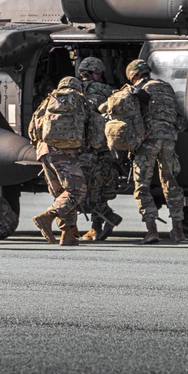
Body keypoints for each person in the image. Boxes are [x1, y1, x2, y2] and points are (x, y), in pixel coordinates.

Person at [124, 58, 186, 244]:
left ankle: (152, 231)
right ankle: (178, 231)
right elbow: (180, 120)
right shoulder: (166, 87)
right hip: (169, 140)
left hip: (148, 141)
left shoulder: (136, 90)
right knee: (170, 183)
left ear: (134, 76)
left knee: (142, 186)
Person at [29, 76, 90, 246]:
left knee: (61, 194)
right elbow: (94, 130)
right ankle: (47, 217)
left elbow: (32, 128)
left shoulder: (48, 100)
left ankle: (68, 235)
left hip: (43, 151)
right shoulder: (80, 100)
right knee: (76, 191)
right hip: (65, 152)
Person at [73, 56, 123, 242]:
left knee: (85, 189)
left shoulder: (74, 92)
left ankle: (102, 222)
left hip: (82, 149)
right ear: (96, 73)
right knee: (100, 188)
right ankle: (99, 224)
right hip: (105, 148)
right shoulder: (109, 91)